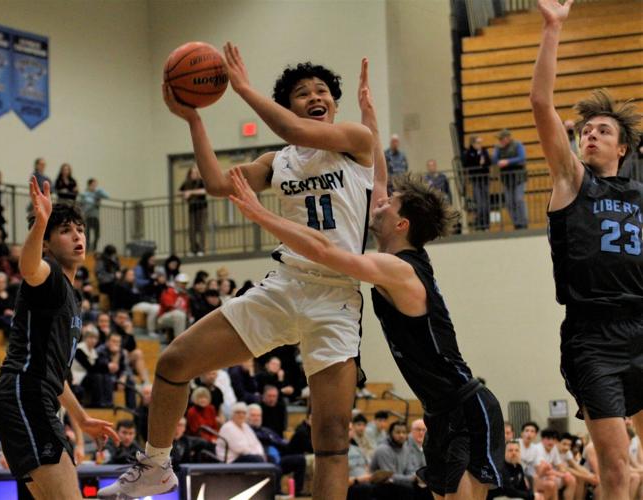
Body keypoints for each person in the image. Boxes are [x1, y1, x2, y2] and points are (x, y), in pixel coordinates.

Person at [101, 51, 376, 500]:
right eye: (302, 93)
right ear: (290, 105)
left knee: (331, 436)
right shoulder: (278, 160)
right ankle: (154, 467)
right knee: (173, 364)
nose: (314, 96)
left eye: (322, 91)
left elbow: (292, 128)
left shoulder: (355, 141)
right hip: (285, 286)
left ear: (335, 105)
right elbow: (216, 183)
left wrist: (242, 88)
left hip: (336, 296)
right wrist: (194, 120)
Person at [228, 61, 504, 499]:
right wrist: (369, 115)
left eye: (390, 203)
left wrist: (260, 214)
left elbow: (322, 251)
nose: (381, 199)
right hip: (439, 410)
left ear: (402, 224)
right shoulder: (394, 255)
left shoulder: (397, 269)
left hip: (466, 407)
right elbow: (374, 176)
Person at [530, 1, 643, 499]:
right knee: (616, 471)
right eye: (586, 130)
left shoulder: (639, 195)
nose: (590, 135)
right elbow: (540, 104)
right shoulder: (572, 181)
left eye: (603, 131)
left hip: (641, 323)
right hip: (592, 336)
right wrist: (553, 29)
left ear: (623, 148)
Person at [0, 179, 118, 500]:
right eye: (65, 231)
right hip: (24, 396)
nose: (77, 236)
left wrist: (81, 417)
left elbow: (56, 377)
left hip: (33, 397)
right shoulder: (50, 279)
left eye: (80, 230)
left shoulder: (73, 297)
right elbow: (29, 267)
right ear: (46, 244)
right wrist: (41, 223)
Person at [493, 129, 528, 229]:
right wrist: (496, 150)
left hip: (519, 178)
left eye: (501, 138)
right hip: (506, 179)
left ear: (508, 138)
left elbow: (522, 157)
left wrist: (508, 162)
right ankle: (516, 222)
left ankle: (523, 222)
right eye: (499, 139)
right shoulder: (498, 148)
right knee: (509, 203)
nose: (500, 141)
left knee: (518, 199)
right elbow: (495, 160)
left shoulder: (518, 145)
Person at [463, 136, 491, 231]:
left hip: (485, 179)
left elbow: (488, 162)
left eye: (480, 143)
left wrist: (483, 162)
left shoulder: (484, 151)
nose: (479, 145)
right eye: (477, 143)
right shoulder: (468, 153)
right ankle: (480, 223)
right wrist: (478, 162)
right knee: (479, 202)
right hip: (476, 180)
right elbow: (467, 164)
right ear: (473, 144)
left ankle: (486, 224)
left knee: (486, 202)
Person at [180, 166, 208, 256]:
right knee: (191, 229)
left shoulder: (201, 182)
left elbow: (205, 191)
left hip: (202, 208)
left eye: (196, 173)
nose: (194, 175)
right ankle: (193, 249)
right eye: (192, 173)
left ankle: (201, 249)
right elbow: (180, 191)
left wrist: (191, 192)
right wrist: (184, 194)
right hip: (192, 208)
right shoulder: (187, 183)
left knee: (202, 228)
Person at [79, 178, 109, 251]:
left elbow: (107, 196)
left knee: (97, 235)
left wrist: (99, 190)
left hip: (95, 217)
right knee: (87, 234)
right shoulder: (85, 194)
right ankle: (87, 249)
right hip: (88, 217)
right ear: (89, 185)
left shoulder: (97, 193)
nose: (95, 186)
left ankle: (93, 249)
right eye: (93, 184)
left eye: (96, 185)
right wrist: (94, 202)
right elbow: (84, 204)